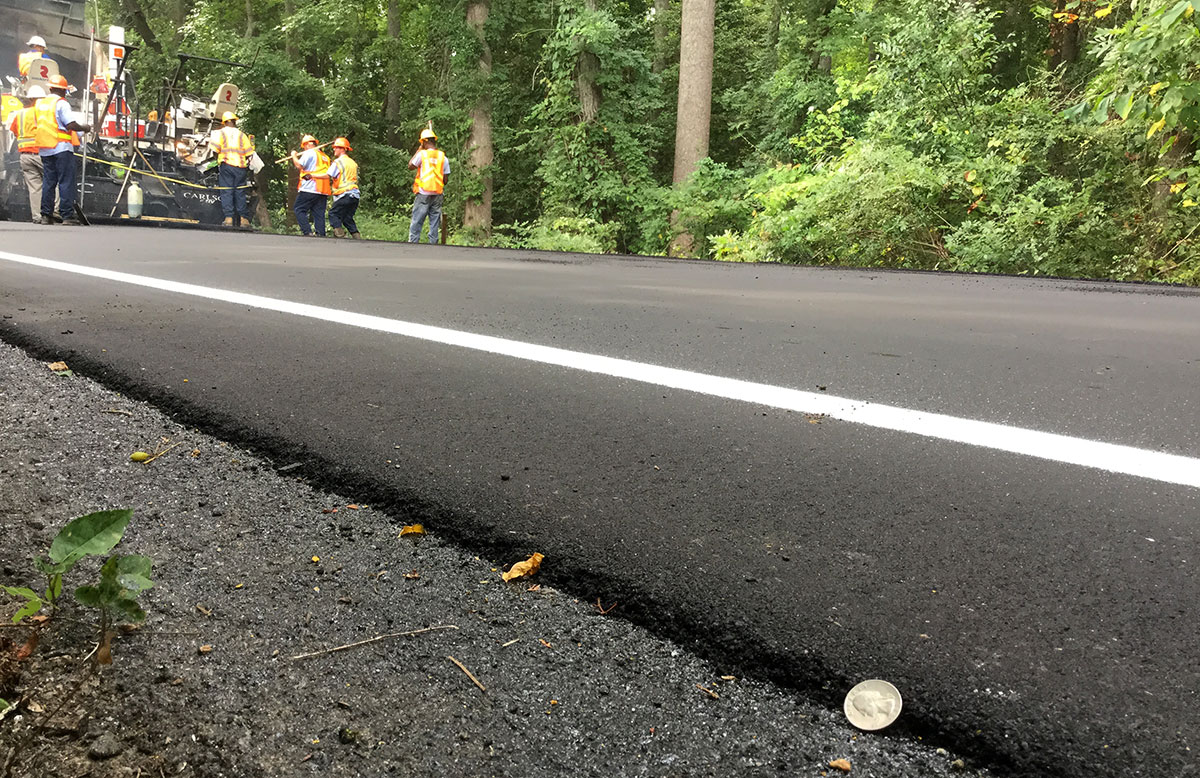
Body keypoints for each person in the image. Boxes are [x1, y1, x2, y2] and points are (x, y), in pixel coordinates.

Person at [35, 74, 89, 226]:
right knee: (66, 182)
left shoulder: (40, 104)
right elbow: (70, 125)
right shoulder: (61, 103)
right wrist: (85, 128)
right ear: (63, 91)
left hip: (45, 148)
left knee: (48, 182)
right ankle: (67, 216)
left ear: (50, 88)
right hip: (61, 148)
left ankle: (46, 215)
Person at [7, 86, 59, 223]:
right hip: (41, 153)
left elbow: (15, 131)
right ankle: (55, 211)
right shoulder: (42, 113)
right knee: (55, 181)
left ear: (29, 99)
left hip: (24, 155)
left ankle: (37, 217)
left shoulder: (20, 114)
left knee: (35, 188)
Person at [209, 111, 255, 228]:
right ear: (234, 121)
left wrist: (218, 160)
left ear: (224, 123)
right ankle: (244, 220)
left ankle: (228, 218)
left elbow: (215, 150)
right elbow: (249, 153)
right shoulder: (242, 135)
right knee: (240, 192)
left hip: (227, 166)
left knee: (227, 191)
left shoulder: (220, 133)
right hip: (240, 168)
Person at [408, 128, 449, 244]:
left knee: (417, 221)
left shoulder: (422, 155)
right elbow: (445, 180)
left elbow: (410, 166)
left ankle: (413, 243)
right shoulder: (443, 157)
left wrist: (418, 150)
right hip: (437, 194)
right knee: (434, 222)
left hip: (423, 193)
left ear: (424, 142)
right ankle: (433, 245)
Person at [290, 134, 330, 237]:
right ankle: (321, 234)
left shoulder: (309, 153)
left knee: (299, 209)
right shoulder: (325, 157)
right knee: (319, 213)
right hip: (323, 190)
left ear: (307, 145)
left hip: (310, 187)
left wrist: (294, 155)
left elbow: (299, 165)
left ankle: (307, 232)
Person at [323, 137, 360, 239]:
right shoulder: (352, 162)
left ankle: (341, 237)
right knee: (347, 218)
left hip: (345, 194)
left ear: (343, 149)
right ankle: (357, 238)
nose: (334, 149)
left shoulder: (338, 162)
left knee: (333, 214)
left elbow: (327, 175)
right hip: (355, 195)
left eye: (336, 148)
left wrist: (312, 176)